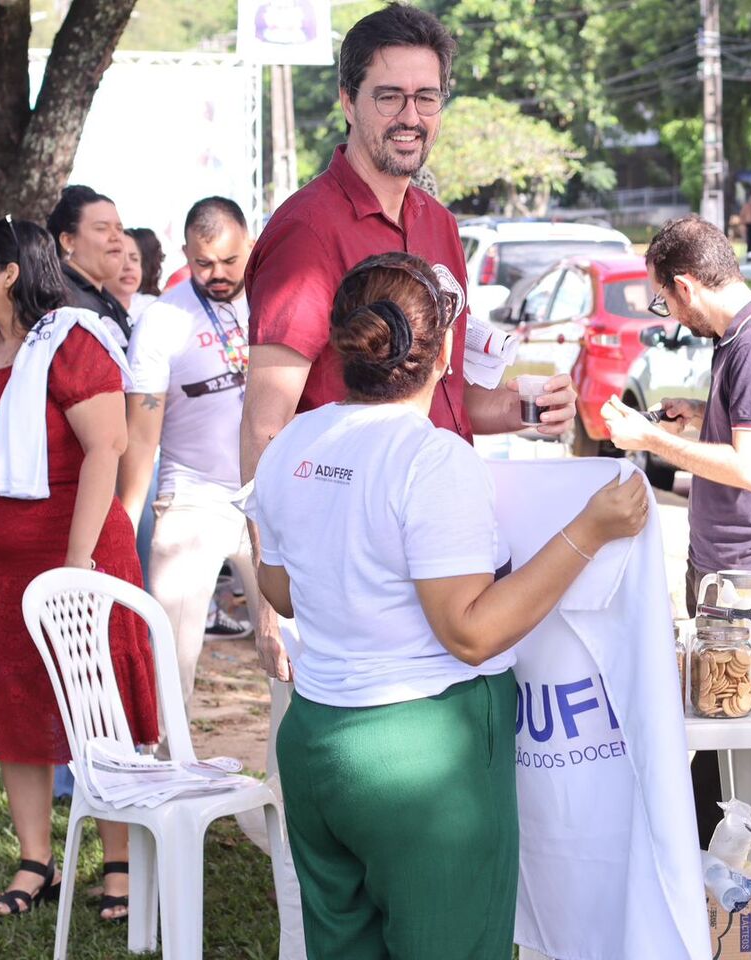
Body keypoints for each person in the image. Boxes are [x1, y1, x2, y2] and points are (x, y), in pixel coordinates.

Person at [244, 251, 647, 959]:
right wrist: (591, 529)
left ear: (343, 344)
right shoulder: (430, 458)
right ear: (446, 349)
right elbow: (470, 631)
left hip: (317, 742)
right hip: (423, 753)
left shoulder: (293, 443)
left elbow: (280, 591)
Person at [242, 1, 577, 737]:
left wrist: (526, 409)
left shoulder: (437, 223)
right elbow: (266, 430)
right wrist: (271, 598)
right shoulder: (307, 231)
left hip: (439, 555)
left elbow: (444, 400)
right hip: (345, 585)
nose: (410, 116)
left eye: (426, 97)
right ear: (347, 99)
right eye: (388, 95)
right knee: (331, 800)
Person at [0, 217, 157, 920]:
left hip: (70, 562)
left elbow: (108, 447)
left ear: (12, 273)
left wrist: (77, 568)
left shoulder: (74, 342)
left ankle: (119, 866)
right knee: (14, 709)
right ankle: (35, 862)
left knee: (93, 711)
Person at [602, 214, 751, 877]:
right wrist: (699, 419)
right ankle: (705, 877)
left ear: (689, 284)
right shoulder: (740, 338)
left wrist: (651, 441)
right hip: (732, 570)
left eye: (663, 300)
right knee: (719, 724)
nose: (667, 314)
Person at [119, 197, 259, 712]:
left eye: (228, 261)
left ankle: (286, 790)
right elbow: (141, 434)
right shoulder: (163, 320)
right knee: (172, 662)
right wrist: (126, 521)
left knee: (295, 653)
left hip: (272, 500)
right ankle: (168, 781)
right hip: (190, 498)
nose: (216, 274)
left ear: (250, 242)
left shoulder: (279, 297)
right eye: (203, 263)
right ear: (185, 253)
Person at [47, 184, 131, 345]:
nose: (116, 237)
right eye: (101, 228)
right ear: (68, 241)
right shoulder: (57, 295)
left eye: (119, 229)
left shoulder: (104, 296)